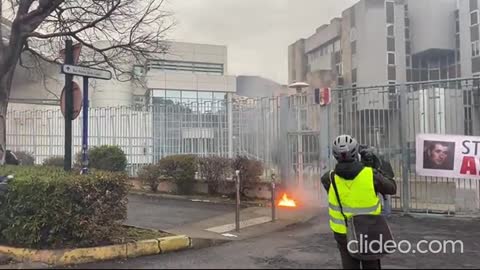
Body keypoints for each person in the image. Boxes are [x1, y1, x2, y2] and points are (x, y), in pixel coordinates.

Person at [321, 135, 397, 269]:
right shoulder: (371, 174)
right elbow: (391, 187)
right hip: (369, 230)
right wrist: (376, 162)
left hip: (342, 232)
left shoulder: (329, 178)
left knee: (349, 265)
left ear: (335, 156)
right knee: (371, 264)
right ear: (355, 152)